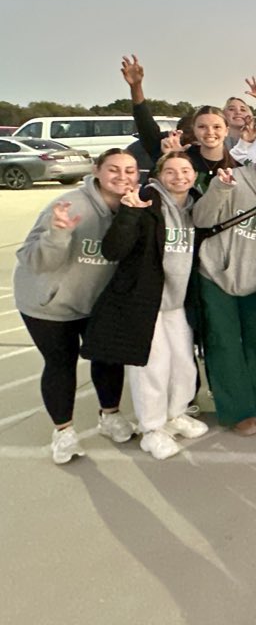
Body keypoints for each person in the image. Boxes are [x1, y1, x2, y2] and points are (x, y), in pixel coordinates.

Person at [13, 149, 140, 464]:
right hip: (49, 302)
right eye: (113, 169)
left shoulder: (134, 206)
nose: (122, 177)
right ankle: (64, 432)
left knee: (108, 358)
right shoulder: (70, 205)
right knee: (61, 363)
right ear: (96, 170)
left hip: (97, 302)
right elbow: (33, 259)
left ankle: (110, 416)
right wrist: (58, 235)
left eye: (130, 170)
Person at [81, 152, 208, 460]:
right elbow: (114, 249)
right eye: (172, 171)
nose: (180, 177)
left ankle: (175, 413)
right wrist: (128, 213)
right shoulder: (147, 200)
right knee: (152, 366)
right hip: (145, 301)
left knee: (183, 363)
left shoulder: (194, 205)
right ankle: (152, 428)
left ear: (194, 175)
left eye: (186, 170)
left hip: (176, 301)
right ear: (158, 175)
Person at [192, 134, 256, 435]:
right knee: (224, 343)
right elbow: (201, 218)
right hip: (215, 272)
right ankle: (237, 408)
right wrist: (220, 190)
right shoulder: (232, 178)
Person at [123, 55, 236, 193]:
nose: (210, 132)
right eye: (202, 127)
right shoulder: (182, 157)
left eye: (217, 127)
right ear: (194, 130)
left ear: (227, 130)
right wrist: (136, 87)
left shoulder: (238, 168)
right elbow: (147, 128)